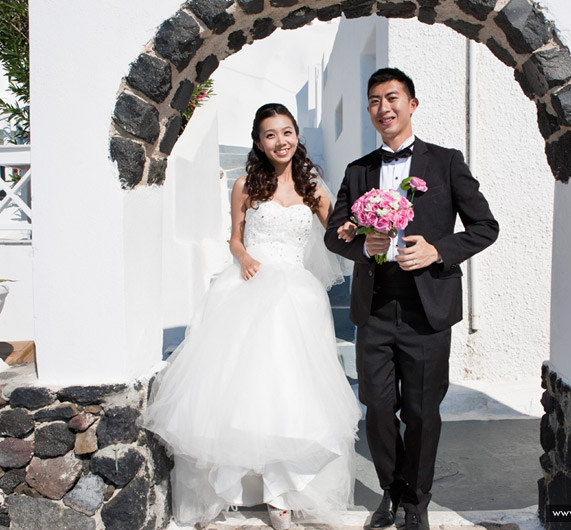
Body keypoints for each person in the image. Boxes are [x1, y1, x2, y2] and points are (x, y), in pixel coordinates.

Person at [142, 103, 361, 529]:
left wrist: (363, 225)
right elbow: (235, 239)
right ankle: (238, 487)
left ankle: (282, 494)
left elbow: (337, 232)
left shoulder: (313, 188)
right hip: (248, 288)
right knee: (242, 392)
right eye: (270, 134)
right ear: (258, 142)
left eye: (287, 132)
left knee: (293, 393)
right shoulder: (245, 185)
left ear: (297, 135)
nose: (281, 141)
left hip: (297, 298)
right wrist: (243, 258)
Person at [324, 68, 499, 530]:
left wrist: (438, 250)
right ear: (369, 110)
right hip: (375, 306)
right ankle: (390, 490)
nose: (384, 108)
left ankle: (417, 500)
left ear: (412, 104)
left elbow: (485, 227)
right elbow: (334, 233)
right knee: (379, 408)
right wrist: (363, 246)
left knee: (422, 411)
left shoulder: (446, 162)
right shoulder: (358, 170)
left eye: (393, 98)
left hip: (428, 309)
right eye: (375, 101)